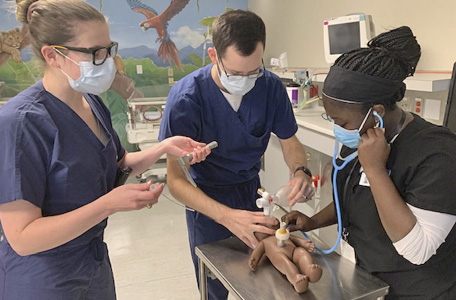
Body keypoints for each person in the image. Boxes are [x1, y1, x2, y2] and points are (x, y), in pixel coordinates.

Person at [0, 1, 210, 299]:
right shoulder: (21, 123)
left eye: (109, 49)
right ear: (52, 55)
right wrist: (108, 204)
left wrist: (164, 147)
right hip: (43, 277)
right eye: (95, 53)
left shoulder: (92, 102)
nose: (107, 60)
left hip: (92, 262)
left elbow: (118, 162)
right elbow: (22, 238)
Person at [282, 26, 456, 299]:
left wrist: (375, 170)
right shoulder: (363, 137)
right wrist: (312, 221)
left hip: (418, 290)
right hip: (369, 280)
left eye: (341, 122)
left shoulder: (437, 153)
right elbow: (353, 197)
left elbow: (418, 249)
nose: (337, 129)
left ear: (376, 113)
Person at [159, 9, 314, 299]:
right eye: (235, 73)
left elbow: (289, 140)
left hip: (252, 191)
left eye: (253, 71)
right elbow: (176, 181)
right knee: (215, 284)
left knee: (267, 273)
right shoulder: (187, 99)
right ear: (213, 55)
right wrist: (227, 217)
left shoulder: (269, 87)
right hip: (207, 198)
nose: (245, 80)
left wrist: (300, 172)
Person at [249, 230, 322, 293]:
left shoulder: (283, 233)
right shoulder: (263, 243)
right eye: (262, 225)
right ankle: (295, 278)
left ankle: (309, 269)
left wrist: (304, 243)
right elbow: (256, 254)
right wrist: (253, 260)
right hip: (279, 257)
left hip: (293, 251)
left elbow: (294, 239)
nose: (268, 226)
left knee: (301, 252)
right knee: (286, 263)